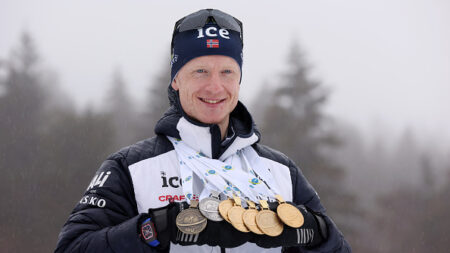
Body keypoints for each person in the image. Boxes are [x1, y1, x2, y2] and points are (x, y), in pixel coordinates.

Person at [55, 9, 351, 253]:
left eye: (226, 72)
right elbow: (73, 248)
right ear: (175, 80)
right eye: (200, 71)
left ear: (239, 80)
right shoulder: (131, 167)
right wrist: (154, 229)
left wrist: (319, 235)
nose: (214, 86)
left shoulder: (281, 171)